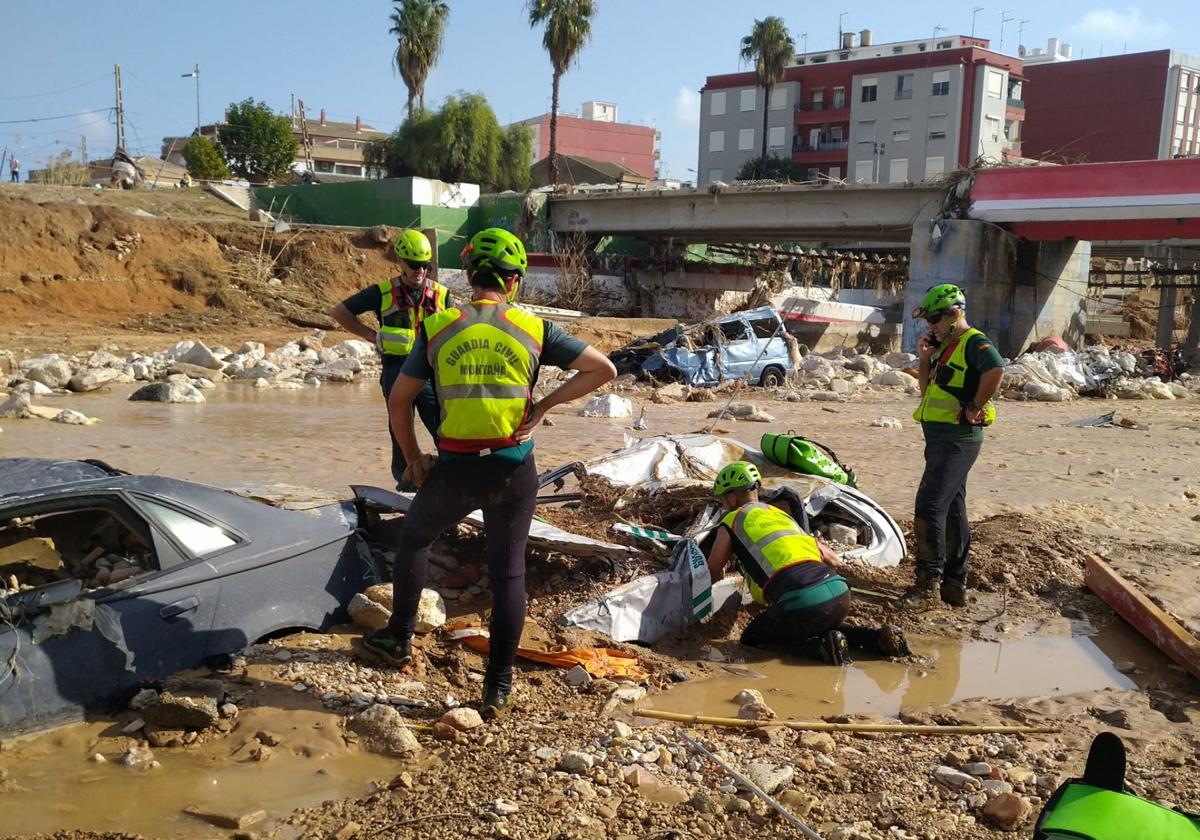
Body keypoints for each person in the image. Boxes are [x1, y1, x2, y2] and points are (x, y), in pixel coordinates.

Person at [363, 227, 616, 718]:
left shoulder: (439, 325)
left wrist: (414, 457)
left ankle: (398, 637)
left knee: (415, 540)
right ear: (514, 282)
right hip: (514, 468)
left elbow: (399, 401)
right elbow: (602, 369)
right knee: (509, 573)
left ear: (470, 276)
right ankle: (497, 686)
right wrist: (541, 407)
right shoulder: (534, 328)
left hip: (456, 467)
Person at [704, 461, 910, 664]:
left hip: (802, 598)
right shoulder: (782, 516)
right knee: (815, 622)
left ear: (731, 497)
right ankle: (875, 639)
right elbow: (834, 560)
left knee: (752, 638)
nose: (723, 505)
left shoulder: (731, 520)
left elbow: (714, 570)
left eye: (722, 500)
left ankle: (818, 649)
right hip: (839, 591)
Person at [900, 283, 1004, 609]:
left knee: (929, 506)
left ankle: (927, 586)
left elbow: (997, 369)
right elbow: (925, 388)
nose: (931, 325)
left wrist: (974, 404)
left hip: (957, 441)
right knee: (954, 510)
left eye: (935, 319)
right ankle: (955, 584)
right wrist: (925, 358)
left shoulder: (974, 342)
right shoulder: (947, 346)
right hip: (940, 440)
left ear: (954, 313)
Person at [329, 230, 450, 489]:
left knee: (444, 427)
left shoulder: (441, 295)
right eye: (413, 265)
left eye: (424, 265)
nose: (420, 271)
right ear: (401, 262)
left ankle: (452, 477)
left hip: (430, 373)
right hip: (397, 371)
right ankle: (407, 482)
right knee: (400, 432)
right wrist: (371, 335)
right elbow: (339, 312)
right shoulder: (382, 293)